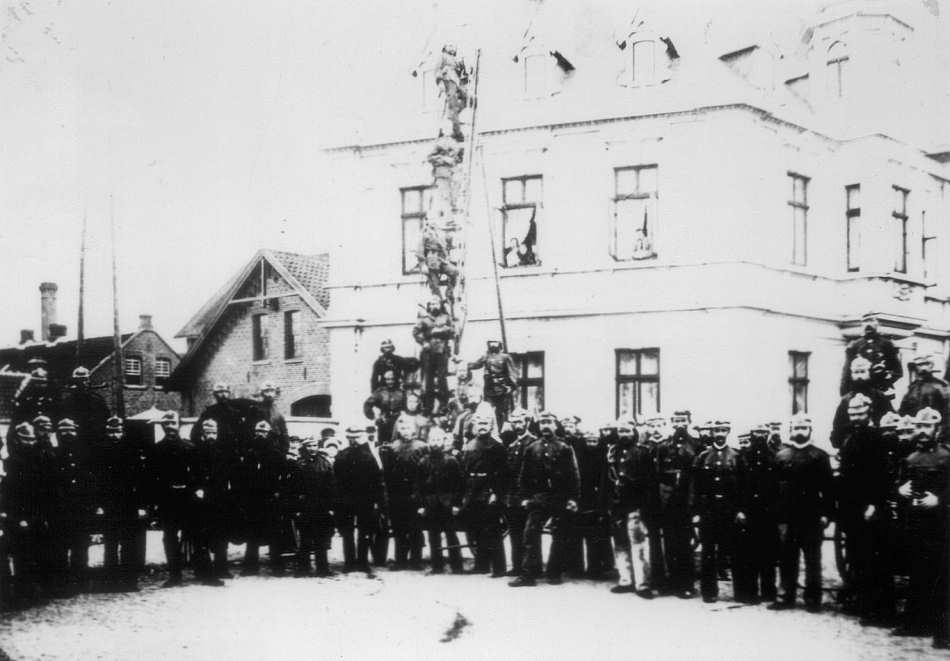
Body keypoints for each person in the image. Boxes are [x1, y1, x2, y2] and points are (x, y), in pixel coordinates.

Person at [892, 407, 950, 643]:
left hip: (941, 527)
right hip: (916, 525)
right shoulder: (910, 459)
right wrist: (900, 490)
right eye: (920, 427)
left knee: (940, 577)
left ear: (937, 429)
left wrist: (940, 500)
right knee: (917, 575)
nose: (923, 431)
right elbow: (898, 486)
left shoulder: (947, 457)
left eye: (927, 427)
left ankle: (941, 630)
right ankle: (915, 623)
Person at [768, 413, 834, 612]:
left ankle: (813, 599)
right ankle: (785, 597)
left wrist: (826, 514)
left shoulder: (819, 456)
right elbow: (774, 490)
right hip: (788, 518)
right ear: (791, 431)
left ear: (810, 430)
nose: (800, 431)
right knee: (787, 558)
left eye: (803, 428)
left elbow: (828, 488)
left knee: (813, 559)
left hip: (811, 517)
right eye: (796, 428)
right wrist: (778, 517)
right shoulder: (781, 456)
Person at [836, 394, 892, 623]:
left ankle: (878, 611)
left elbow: (881, 475)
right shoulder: (849, 437)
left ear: (869, 413)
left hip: (868, 507)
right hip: (851, 506)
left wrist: (874, 504)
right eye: (852, 414)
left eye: (860, 413)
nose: (856, 417)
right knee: (857, 556)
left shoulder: (877, 438)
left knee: (873, 559)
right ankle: (862, 603)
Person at [509, 411, 580, 587]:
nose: (545, 426)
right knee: (530, 534)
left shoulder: (564, 448)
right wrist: (524, 497)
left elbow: (573, 474)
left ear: (556, 425)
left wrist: (573, 498)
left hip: (560, 497)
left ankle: (554, 572)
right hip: (539, 498)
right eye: (542, 423)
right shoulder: (532, 448)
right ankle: (528, 574)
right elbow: (523, 476)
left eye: (549, 422)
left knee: (560, 535)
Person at [89, 416, 149, 592]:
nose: (114, 435)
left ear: (123, 432)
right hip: (109, 504)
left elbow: (139, 480)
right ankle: (110, 580)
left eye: (118, 431)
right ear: (106, 432)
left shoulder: (132, 451)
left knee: (129, 543)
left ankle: (129, 580)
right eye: (111, 431)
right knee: (111, 542)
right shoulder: (99, 452)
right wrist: (98, 504)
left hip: (129, 504)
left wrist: (141, 505)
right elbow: (96, 481)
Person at [152, 411, 211, 587]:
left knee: (197, 535)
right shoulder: (156, 449)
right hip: (168, 499)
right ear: (163, 426)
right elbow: (152, 477)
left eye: (173, 423)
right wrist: (155, 500)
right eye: (166, 423)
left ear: (179, 425)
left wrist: (199, 489)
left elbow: (200, 473)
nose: (170, 426)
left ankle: (205, 573)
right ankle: (174, 575)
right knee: (169, 537)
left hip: (188, 498)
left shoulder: (190, 447)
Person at [3, 422, 56, 608]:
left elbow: (44, 489)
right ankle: (22, 594)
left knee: (38, 552)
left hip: (38, 513)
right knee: (22, 556)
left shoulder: (39, 458)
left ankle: (36, 592)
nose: (30, 442)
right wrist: (20, 517)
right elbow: (14, 493)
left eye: (32, 439)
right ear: (18, 439)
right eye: (26, 439)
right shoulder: (13, 462)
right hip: (22, 515)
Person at [692, 420, 745, 603]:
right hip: (709, 510)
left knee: (736, 551)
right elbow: (696, 487)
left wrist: (740, 510)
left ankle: (741, 592)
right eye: (717, 430)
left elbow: (742, 486)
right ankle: (709, 592)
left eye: (723, 430)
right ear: (712, 433)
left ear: (728, 432)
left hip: (730, 510)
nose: (720, 434)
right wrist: (696, 512)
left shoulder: (737, 456)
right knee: (708, 551)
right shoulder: (703, 457)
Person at [604, 418, 655, 597]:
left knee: (639, 544)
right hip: (617, 505)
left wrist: (645, 506)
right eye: (621, 431)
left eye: (627, 431)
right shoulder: (612, 452)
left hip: (636, 504)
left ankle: (642, 584)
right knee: (619, 543)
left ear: (634, 432)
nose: (624, 434)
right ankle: (625, 580)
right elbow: (607, 480)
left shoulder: (643, 452)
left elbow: (649, 481)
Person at [734, 416, 779, 604]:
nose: (759, 436)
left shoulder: (774, 456)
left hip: (768, 512)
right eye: (756, 433)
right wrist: (739, 509)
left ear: (767, 434)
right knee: (749, 553)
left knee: (768, 553)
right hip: (748, 511)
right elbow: (736, 486)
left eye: (763, 433)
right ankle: (750, 593)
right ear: (752, 435)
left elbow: (778, 486)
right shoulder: (742, 457)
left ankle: (768, 591)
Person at [236, 420, 289, 576]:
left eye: (264, 432)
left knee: (274, 535)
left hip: (271, 499)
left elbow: (285, 475)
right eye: (258, 432)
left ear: (269, 433)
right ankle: (250, 567)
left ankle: (277, 567)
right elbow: (241, 476)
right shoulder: (249, 453)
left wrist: (279, 492)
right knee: (252, 534)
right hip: (253, 500)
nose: (261, 435)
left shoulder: (276, 453)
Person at [562, 415, 611, 579]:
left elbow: (605, 480)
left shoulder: (603, 458)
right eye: (588, 441)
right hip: (580, 498)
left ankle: (595, 569)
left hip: (595, 500)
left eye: (595, 441)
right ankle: (575, 568)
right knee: (575, 534)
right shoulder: (578, 457)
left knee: (594, 536)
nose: (591, 444)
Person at [460, 407, 508, 578]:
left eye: (486, 423)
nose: (482, 426)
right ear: (475, 424)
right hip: (472, 490)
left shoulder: (497, 446)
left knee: (492, 530)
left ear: (491, 425)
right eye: (479, 422)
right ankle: (482, 565)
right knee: (477, 528)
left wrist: (497, 493)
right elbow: (464, 470)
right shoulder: (469, 445)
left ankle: (499, 567)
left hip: (489, 490)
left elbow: (503, 474)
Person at [655, 413, 698, 598]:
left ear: (688, 422)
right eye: (676, 421)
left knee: (685, 544)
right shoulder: (664, 446)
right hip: (668, 501)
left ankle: (686, 584)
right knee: (670, 543)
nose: (680, 424)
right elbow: (658, 475)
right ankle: (671, 582)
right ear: (672, 423)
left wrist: (694, 505)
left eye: (683, 421)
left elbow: (697, 477)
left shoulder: (696, 445)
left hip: (685, 501)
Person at [334, 426, 386, 574]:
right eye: (351, 438)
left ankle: (362, 562)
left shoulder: (370, 456)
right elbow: (336, 480)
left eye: (356, 437)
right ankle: (349, 562)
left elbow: (378, 480)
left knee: (365, 531)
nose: (354, 441)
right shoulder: (341, 455)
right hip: (345, 501)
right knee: (347, 533)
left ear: (362, 437)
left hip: (366, 500)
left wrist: (379, 501)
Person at [51, 418, 92, 595]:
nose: (67, 433)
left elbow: (90, 480)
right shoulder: (53, 454)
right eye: (63, 430)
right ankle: (63, 584)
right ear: (58, 433)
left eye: (71, 430)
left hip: (81, 506)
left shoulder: (84, 454)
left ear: (76, 431)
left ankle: (81, 580)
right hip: (61, 508)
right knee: (61, 546)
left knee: (80, 545)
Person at [415, 426, 464, 574]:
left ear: (443, 441)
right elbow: (418, 486)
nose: (435, 443)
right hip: (430, 504)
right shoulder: (423, 462)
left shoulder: (451, 461)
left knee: (451, 535)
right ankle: (437, 566)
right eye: (432, 440)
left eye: (438, 439)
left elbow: (459, 485)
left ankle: (457, 566)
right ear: (428, 441)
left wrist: (456, 504)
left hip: (447, 504)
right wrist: (421, 505)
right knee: (433, 535)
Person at [381, 414, 427, 570]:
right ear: (398, 430)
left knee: (415, 528)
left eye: (408, 428)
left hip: (415, 493)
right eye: (402, 428)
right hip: (397, 494)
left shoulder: (421, 446)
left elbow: (425, 472)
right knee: (399, 528)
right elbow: (387, 473)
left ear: (413, 429)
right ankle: (400, 560)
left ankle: (416, 560)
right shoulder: (393, 447)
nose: (405, 431)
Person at [193, 419, 237, 583]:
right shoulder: (196, 450)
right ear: (202, 433)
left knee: (222, 534)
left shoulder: (223, 451)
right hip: (203, 498)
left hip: (221, 497)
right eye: (208, 433)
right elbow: (194, 473)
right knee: (204, 535)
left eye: (214, 433)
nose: (211, 436)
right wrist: (198, 488)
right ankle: (204, 572)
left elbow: (229, 472)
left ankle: (221, 568)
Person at [289, 436, 337, 577]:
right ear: (305, 447)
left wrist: (331, 507)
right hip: (305, 507)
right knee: (305, 539)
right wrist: (296, 508)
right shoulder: (299, 464)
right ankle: (303, 568)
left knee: (321, 539)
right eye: (309, 446)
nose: (312, 448)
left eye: (315, 445)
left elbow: (332, 487)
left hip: (321, 507)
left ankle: (323, 568)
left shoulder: (325, 463)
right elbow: (293, 488)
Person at [831, 356, 894, 449]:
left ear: (869, 373)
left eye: (862, 372)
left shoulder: (880, 397)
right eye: (856, 372)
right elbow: (837, 429)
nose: (859, 376)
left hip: (876, 446)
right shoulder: (845, 401)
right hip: (852, 447)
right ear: (851, 375)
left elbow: (890, 423)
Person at [840, 315, 902, 396]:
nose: (868, 324)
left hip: (879, 390)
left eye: (871, 321)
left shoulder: (887, 344)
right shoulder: (854, 345)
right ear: (861, 324)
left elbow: (898, 372)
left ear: (878, 324)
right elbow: (847, 372)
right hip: (859, 390)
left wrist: (885, 384)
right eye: (865, 321)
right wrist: (844, 393)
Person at [412, 296, 454, 415]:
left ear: (440, 305)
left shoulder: (446, 317)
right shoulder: (424, 319)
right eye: (431, 304)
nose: (433, 306)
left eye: (436, 304)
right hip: (428, 352)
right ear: (428, 306)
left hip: (442, 351)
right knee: (428, 379)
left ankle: (444, 404)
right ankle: (428, 405)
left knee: (442, 378)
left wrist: (441, 330)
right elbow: (415, 332)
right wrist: (423, 342)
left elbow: (453, 331)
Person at [463, 340, 519, 430]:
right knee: (489, 411)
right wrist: (464, 363)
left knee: (501, 413)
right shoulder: (485, 357)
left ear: (499, 344)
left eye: (495, 342)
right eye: (491, 343)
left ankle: (502, 431)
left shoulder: (505, 357)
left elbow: (512, 373)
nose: (493, 345)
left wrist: (511, 387)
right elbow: (475, 365)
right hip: (489, 389)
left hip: (502, 390)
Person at [899, 355, 950, 442]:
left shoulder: (941, 385)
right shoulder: (911, 388)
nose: (923, 367)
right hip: (915, 431)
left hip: (935, 430)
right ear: (916, 367)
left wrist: (942, 429)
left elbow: (947, 410)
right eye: (920, 365)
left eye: (926, 364)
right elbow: (903, 410)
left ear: (931, 366)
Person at [59, 366, 110, 449]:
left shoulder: (97, 399)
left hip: (95, 439)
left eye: (85, 380)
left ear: (88, 381)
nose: (82, 383)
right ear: (74, 382)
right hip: (75, 440)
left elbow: (105, 418)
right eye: (79, 380)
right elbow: (63, 420)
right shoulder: (68, 401)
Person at [191, 382, 248, 446]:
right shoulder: (209, 412)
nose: (223, 394)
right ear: (215, 394)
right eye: (220, 392)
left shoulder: (236, 410)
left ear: (229, 393)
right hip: (217, 445)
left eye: (226, 392)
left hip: (234, 446)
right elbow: (194, 434)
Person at [363, 369, 406, 446]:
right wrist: (374, 417)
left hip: (398, 422)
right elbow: (367, 404)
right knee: (383, 446)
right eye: (387, 379)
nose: (390, 382)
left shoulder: (401, 392)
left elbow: (407, 407)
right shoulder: (380, 392)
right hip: (384, 423)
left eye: (392, 379)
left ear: (396, 379)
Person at [255, 382, 289, 454]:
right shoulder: (255, 409)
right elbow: (249, 430)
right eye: (267, 391)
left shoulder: (278, 412)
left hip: (275, 449)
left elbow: (284, 432)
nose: (270, 394)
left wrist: (285, 449)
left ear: (275, 393)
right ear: (262, 393)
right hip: (259, 448)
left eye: (272, 391)